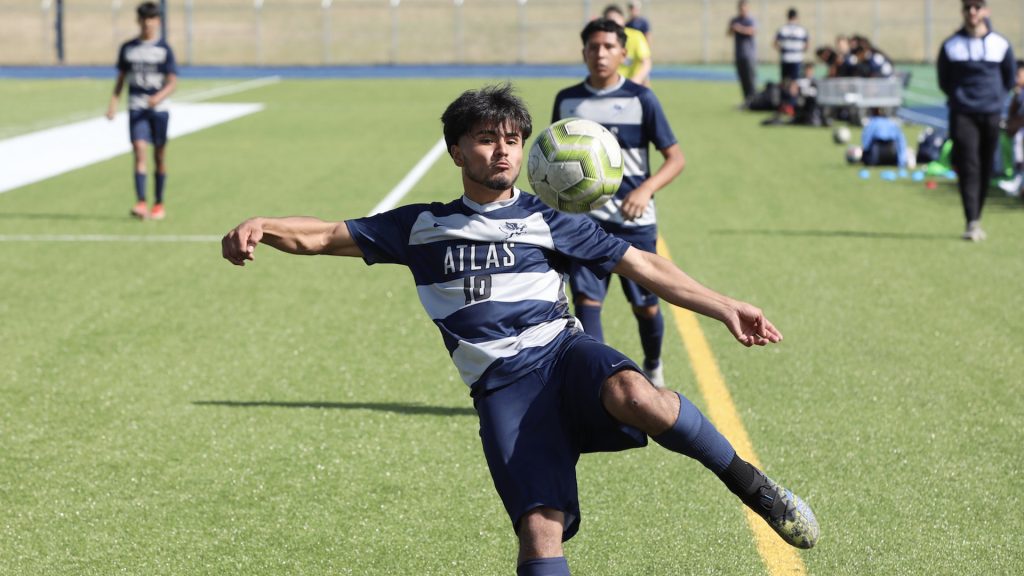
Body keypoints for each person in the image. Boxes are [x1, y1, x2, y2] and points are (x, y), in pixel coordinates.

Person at [222, 83, 819, 576]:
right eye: (486, 140)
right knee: (539, 534)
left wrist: (723, 306)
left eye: (512, 140)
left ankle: (755, 489)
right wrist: (263, 224)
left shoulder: (545, 219)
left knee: (636, 393)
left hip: (563, 353)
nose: (502, 152)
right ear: (456, 151)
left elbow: (641, 263)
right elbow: (324, 236)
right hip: (502, 390)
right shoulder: (421, 227)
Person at [552, 18, 685, 387]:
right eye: (593, 47)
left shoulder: (642, 99)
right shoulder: (567, 100)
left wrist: (644, 191)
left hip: (634, 225)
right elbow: (555, 161)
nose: (600, 54)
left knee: (645, 306)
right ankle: (602, 384)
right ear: (583, 53)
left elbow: (675, 158)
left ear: (623, 54)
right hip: (584, 224)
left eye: (609, 47)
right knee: (587, 304)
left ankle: (653, 365)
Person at [937, 0, 1016, 241]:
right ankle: (971, 220)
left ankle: (977, 216)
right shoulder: (951, 46)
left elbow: (1009, 77)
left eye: (977, 6)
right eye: (968, 7)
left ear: (986, 11)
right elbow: (944, 79)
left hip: (990, 112)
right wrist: (960, 98)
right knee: (968, 165)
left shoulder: (1000, 44)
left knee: (984, 167)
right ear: (962, 12)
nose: (973, 11)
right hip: (962, 113)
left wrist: (995, 99)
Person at [106, 1, 177, 221]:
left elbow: (173, 81)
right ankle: (140, 202)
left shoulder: (163, 49)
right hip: (137, 107)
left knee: (159, 156)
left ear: (158, 21)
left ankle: (158, 202)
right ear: (138, 21)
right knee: (139, 150)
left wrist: (159, 96)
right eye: (144, 19)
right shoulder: (128, 48)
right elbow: (121, 79)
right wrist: (113, 102)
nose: (148, 23)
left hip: (159, 110)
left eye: (152, 19)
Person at [603, 4, 652, 86]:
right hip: (611, 87)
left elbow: (646, 62)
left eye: (616, 20)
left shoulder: (636, 36)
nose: (614, 24)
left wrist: (636, 80)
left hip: (633, 86)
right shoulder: (601, 40)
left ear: (622, 19)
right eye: (610, 22)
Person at [728, 0, 758, 108]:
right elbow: (729, 33)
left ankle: (755, 102)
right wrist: (732, 28)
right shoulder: (735, 20)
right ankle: (746, 101)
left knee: (751, 80)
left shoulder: (750, 20)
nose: (743, 11)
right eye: (741, 9)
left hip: (749, 55)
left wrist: (739, 28)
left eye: (744, 8)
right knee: (743, 79)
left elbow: (752, 31)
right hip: (739, 55)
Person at [773, 7, 809, 84]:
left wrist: (782, 50)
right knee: (795, 82)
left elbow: (775, 43)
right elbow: (807, 45)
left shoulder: (783, 29)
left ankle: (785, 96)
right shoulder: (801, 30)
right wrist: (800, 51)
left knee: (785, 82)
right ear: (796, 17)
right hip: (797, 59)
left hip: (786, 58)